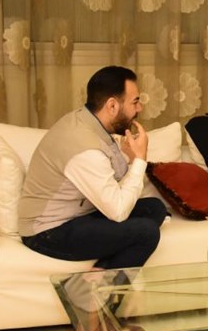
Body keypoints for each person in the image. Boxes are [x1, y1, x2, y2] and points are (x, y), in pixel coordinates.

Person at [19, 66, 167, 270]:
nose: (140, 108)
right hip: (47, 230)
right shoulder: (84, 147)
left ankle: (99, 272)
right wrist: (140, 160)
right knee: (146, 232)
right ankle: (96, 289)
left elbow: (116, 184)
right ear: (112, 105)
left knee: (155, 208)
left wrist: (130, 159)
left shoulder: (91, 123)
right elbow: (118, 211)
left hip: (80, 213)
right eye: (135, 102)